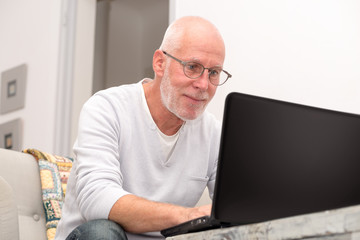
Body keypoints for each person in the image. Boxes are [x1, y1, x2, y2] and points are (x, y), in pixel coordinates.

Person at [55, 16, 231, 240]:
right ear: (160, 63)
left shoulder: (213, 134)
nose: (203, 84)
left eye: (214, 72)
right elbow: (97, 199)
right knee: (102, 232)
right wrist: (191, 215)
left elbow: (232, 209)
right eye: (192, 67)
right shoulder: (107, 108)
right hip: (95, 236)